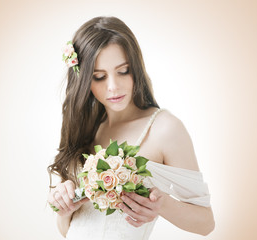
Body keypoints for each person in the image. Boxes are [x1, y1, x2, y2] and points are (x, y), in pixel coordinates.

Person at [47, 16, 215, 239]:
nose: (113, 87)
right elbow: (67, 230)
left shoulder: (164, 129)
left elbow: (206, 224)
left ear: (136, 68)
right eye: (99, 77)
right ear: (84, 80)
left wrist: (162, 205)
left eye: (123, 71)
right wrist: (64, 209)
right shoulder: (86, 128)